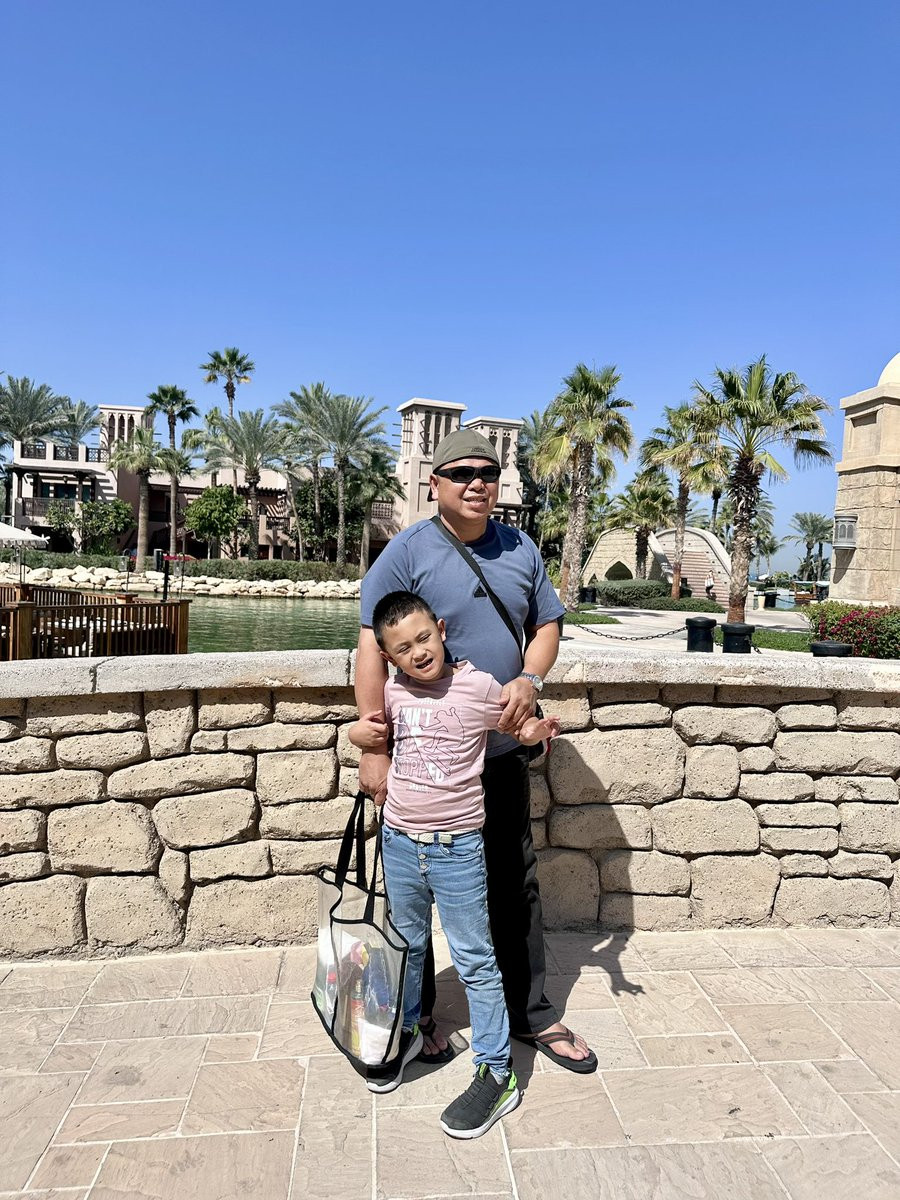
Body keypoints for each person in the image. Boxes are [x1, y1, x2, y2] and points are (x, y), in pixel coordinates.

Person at [356, 427, 596, 1073]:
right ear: (435, 483)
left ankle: (530, 1013)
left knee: (514, 883)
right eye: (461, 473)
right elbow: (371, 647)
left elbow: (547, 624)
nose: (476, 483)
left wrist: (530, 680)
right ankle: (419, 1016)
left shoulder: (521, 547)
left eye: (486, 472)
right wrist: (375, 747)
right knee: (414, 900)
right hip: (425, 764)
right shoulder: (407, 551)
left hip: (501, 751)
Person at [349, 590, 561, 1137]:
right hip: (399, 842)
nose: (418, 652)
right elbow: (370, 733)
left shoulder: (478, 686)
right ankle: (409, 1032)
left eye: (424, 638)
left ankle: (496, 1072)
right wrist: (356, 734)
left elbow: (515, 727)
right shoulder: (393, 692)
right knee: (406, 949)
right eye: (403, 649)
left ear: (441, 630)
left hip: (457, 848)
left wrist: (536, 732)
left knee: (474, 959)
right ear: (388, 657)